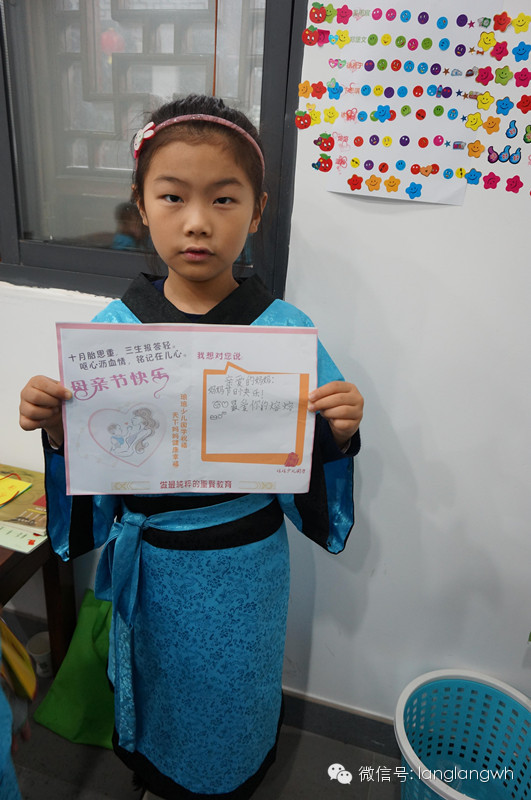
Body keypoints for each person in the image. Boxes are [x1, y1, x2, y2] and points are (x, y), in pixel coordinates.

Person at [19, 94, 364, 800]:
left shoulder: (284, 332)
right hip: (154, 566)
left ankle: (228, 779)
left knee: (236, 689)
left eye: (224, 199)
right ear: (141, 206)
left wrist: (339, 431)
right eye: (173, 196)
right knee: (160, 689)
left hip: (248, 566)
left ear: (257, 211)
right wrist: (57, 430)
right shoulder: (112, 332)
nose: (198, 221)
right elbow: (95, 460)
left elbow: (314, 463)